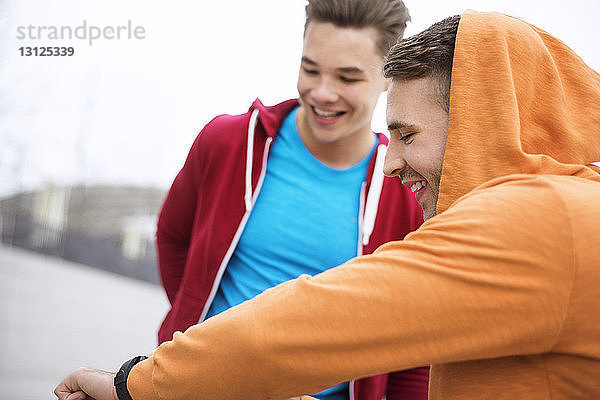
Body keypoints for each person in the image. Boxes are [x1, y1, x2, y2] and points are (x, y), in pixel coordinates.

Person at [55, 9, 600, 400]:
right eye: (311, 67)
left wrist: (133, 384)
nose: (393, 163)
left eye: (407, 135)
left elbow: (305, 329)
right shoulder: (563, 209)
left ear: (485, 122)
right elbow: (176, 239)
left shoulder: (544, 221)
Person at [144, 0, 427, 399]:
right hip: (192, 387)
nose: (322, 93)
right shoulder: (228, 142)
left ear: (387, 75)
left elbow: (416, 342)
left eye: (347, 77)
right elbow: (173, 236)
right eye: (310, 69)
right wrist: (198, 329)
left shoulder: (407, 191)